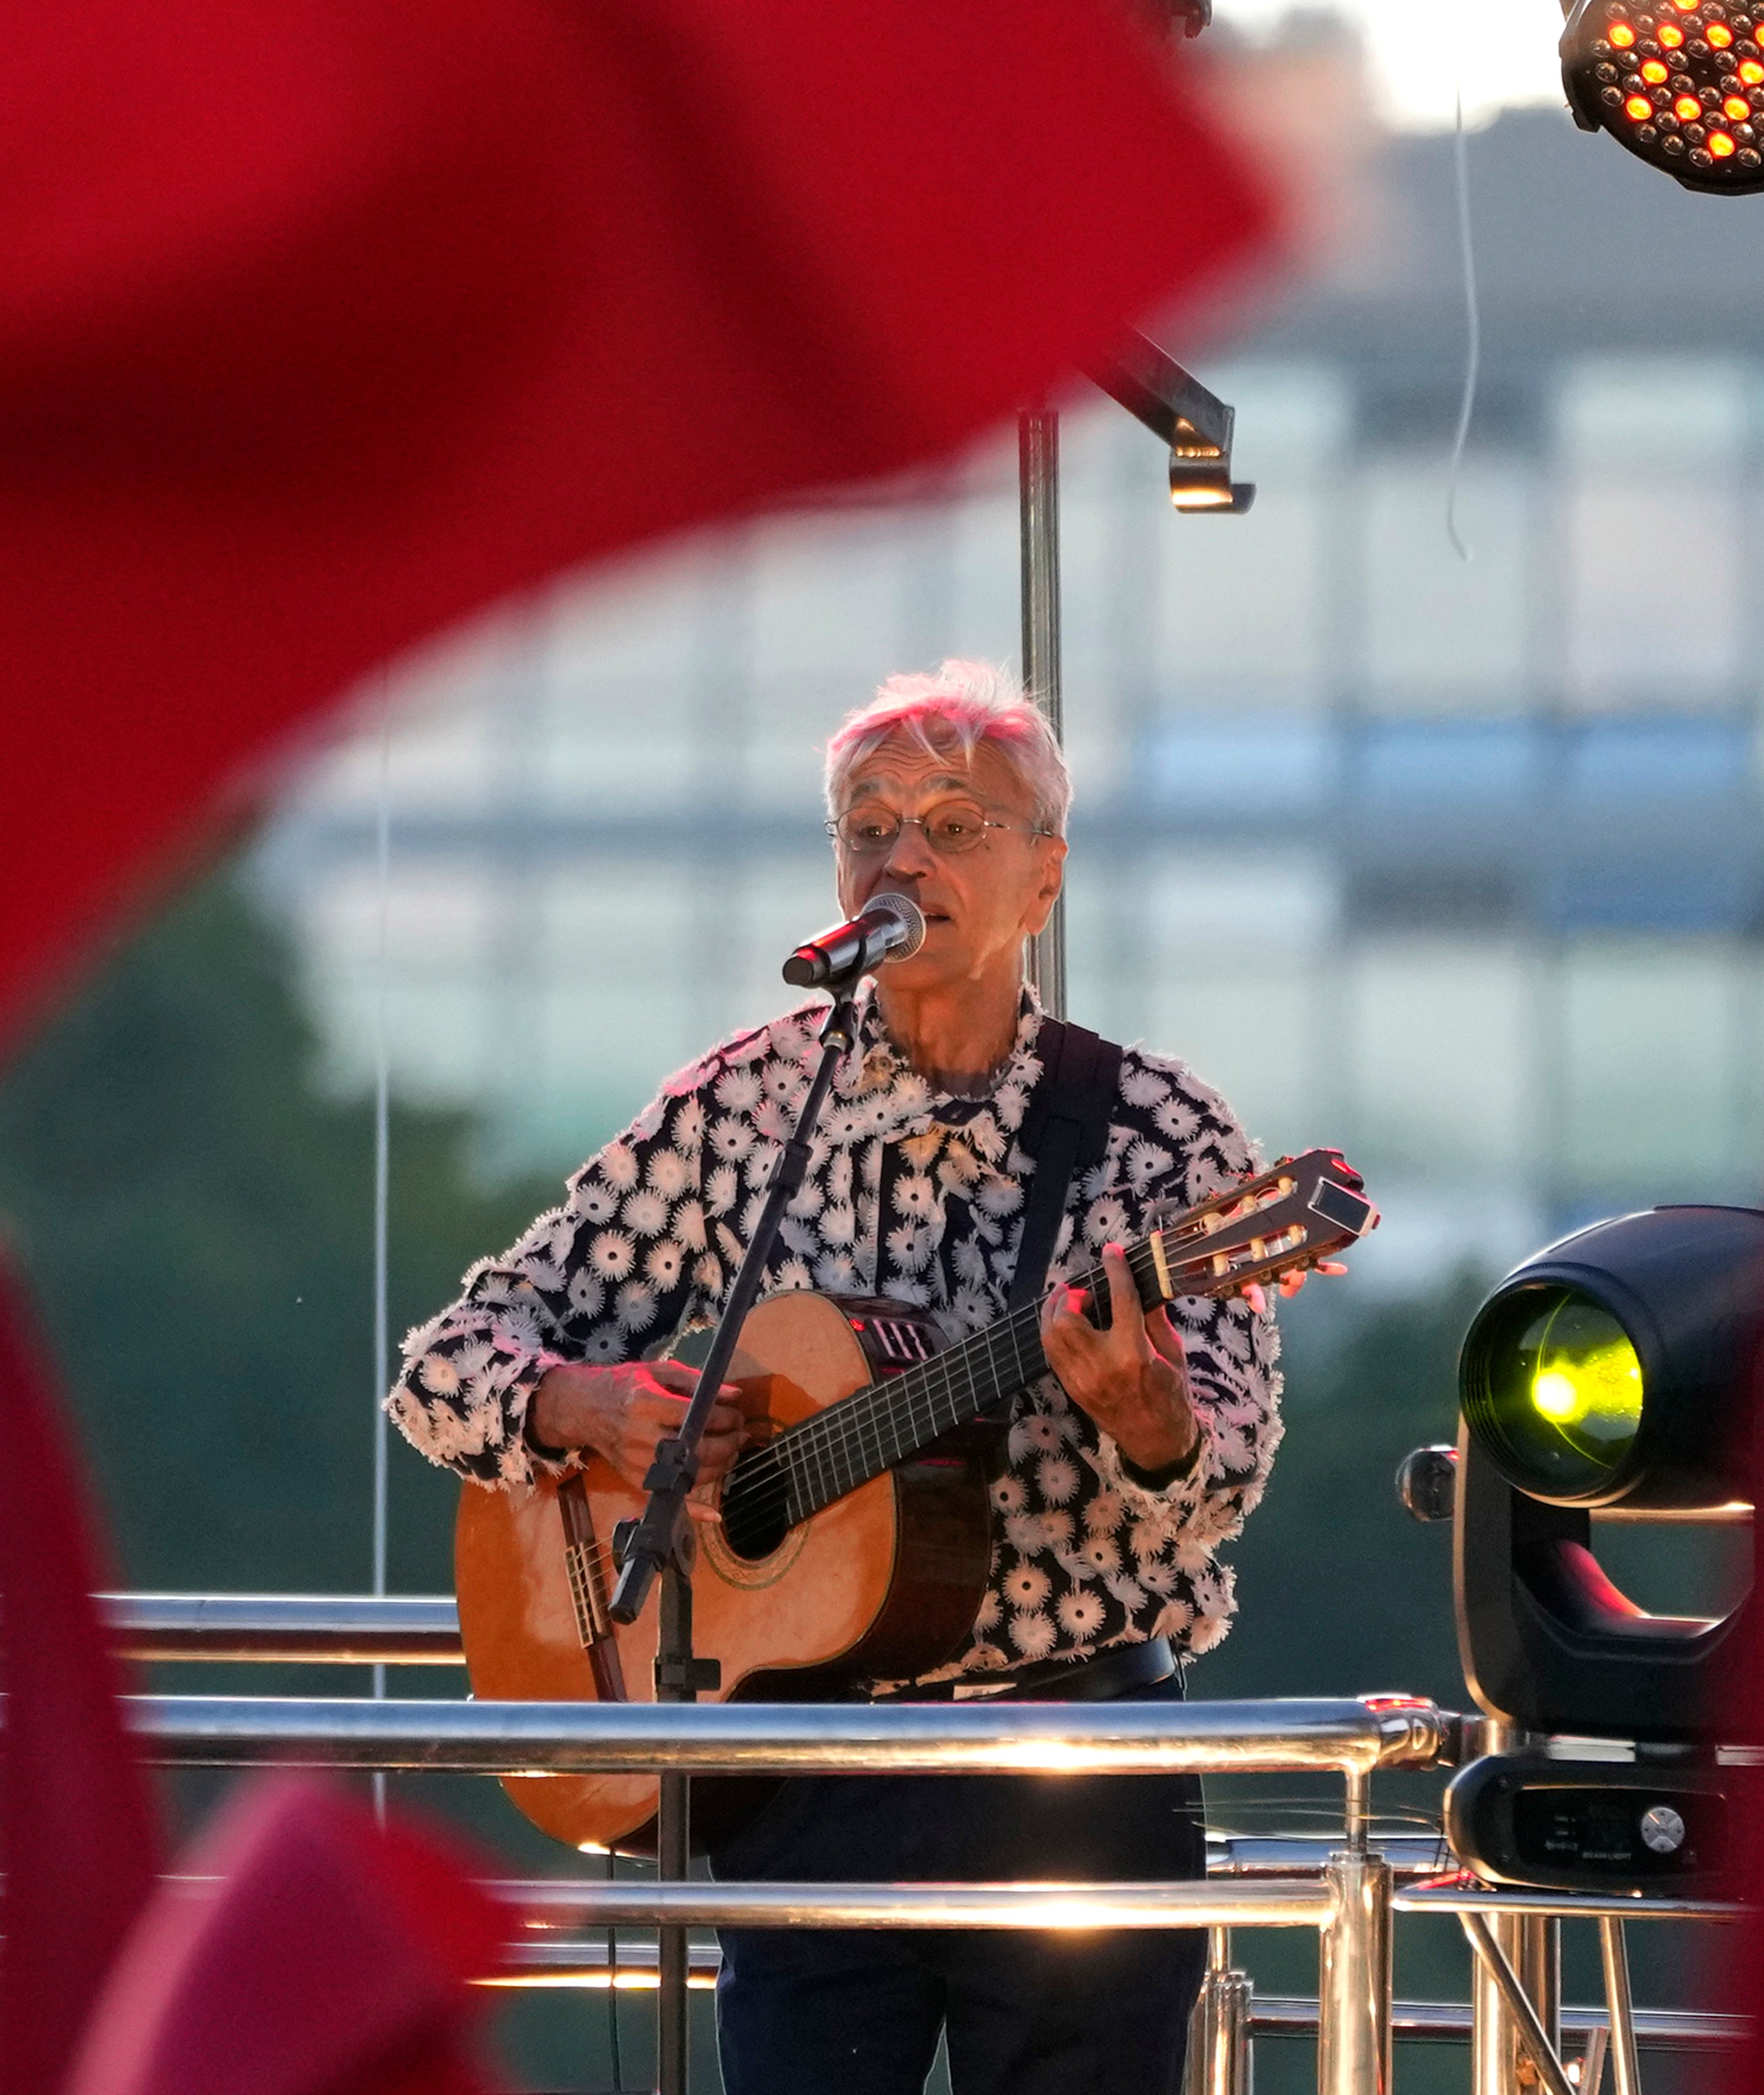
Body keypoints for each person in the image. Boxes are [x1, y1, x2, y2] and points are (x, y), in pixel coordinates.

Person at [386, 660, 1320, 2095]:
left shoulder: (1154, 1134)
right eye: (869, 824)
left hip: (1071, 1766)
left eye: (957, 824)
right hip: (808, 1775)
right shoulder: (746, 1110)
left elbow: (1227, 1480)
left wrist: (1154, 1428)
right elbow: (447, 1365)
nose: (902, 855)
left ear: (1044, 880)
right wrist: (589, 1409)